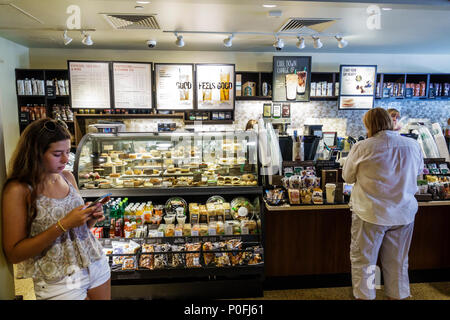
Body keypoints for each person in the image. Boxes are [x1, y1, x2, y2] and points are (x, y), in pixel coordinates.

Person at [1, 118, 111, 300]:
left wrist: (90, 218)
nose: (66, 159)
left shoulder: (67, 177)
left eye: (68, 151)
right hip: (57, 279)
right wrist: (64, 224)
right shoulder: (18, 190)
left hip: (95, 263)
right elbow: (14, 253)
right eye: (57, 153)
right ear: (36, 153)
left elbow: (76, 231)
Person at [342, 107, 424, 300]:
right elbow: (419, 173)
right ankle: (398, 295)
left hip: (371, 213)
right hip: (403, 213)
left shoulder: (362, 147)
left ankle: (367, 295)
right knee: (398, 260)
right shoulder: (412, 145)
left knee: (366, 261)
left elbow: (348, 177)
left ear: (369, 125)